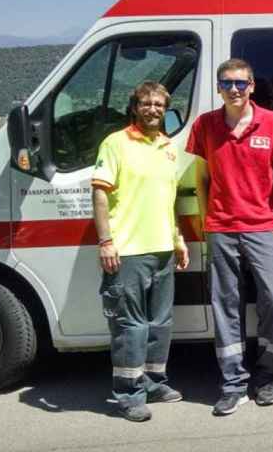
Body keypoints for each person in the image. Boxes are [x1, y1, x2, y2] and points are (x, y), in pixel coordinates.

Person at [186, 58, 273, 416]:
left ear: (252, 86)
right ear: (218, 87)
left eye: (241, 83)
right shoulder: (205, 125)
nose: (235, 89)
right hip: (220, 228)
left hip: (262, 225)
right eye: (227, 83)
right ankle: (233, 383)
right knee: (225, 305)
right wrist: (207, 222)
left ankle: (265, 376)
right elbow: (200, 178)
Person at [91, 81, 190, 422]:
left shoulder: (167, 146)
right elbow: (100, 195)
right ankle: (128, 394)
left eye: (159, 105)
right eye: (146, 104)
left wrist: (177, 239)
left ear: (166, 110)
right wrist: (106, 241)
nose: (153, 109)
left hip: (162, 248)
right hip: (128, 251)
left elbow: (168, 199)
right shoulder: (115, 143)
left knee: (159, 324)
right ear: (134, 107)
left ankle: (153, 382)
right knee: (130, 327)